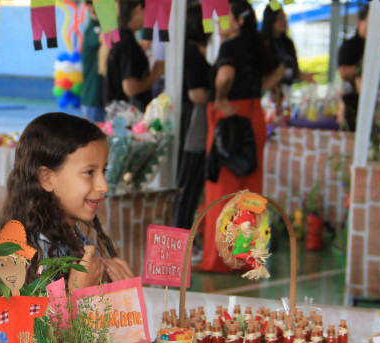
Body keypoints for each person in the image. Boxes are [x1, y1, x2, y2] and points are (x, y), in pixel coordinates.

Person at [0, 112, 135, 289]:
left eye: (103, 171)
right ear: (47, 179)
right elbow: (35, 307)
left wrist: (119, 290)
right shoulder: (33, 255)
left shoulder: (71, 236)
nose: (104, 186)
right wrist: (79, 293)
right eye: (89, 172)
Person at [196, 0, 283, 273]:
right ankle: (244, 258)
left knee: (222, 190)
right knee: (250, 192)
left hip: (230, 120)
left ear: (239, 21)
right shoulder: (258, 47)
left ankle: (219, 260)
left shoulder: (230, 47)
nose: (218, 23)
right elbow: (279, 72)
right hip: (253, 117)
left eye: (224, 18)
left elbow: (225, 75)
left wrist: (221, 97)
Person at [172, 6, 211, 230]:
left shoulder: (183, 49)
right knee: (188, 185)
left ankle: (180, 235)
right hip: (193, 127)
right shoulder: (192, 54)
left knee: (185, 184)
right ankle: (181, 237)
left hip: (185, 123)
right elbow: (198, 95)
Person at [105, 0, 165, 111]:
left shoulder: (120, 36)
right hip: (128, 114)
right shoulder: (127, 42)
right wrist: (155, 75)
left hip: (119, 111)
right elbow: (130, 89)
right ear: (138, 9)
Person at [261, 7, 313, 87]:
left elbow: (294, 71)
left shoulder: (288, 43)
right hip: (268, 90)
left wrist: (302, 75)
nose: (284, 21)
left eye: (285, 17)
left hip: (287, 89)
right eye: (280, 17)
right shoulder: (262, 43)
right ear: (270, 19)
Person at [337, 5, 368, 131]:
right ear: (360, 22)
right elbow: (343, 72)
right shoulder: (349, 45)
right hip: (351, 104)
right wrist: (363, 68)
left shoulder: (379, 48)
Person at [80, 0, 105, 122]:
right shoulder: (93, 30)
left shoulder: (99, 26)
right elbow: (106, 38)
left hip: (98, 99)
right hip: (93, 99)